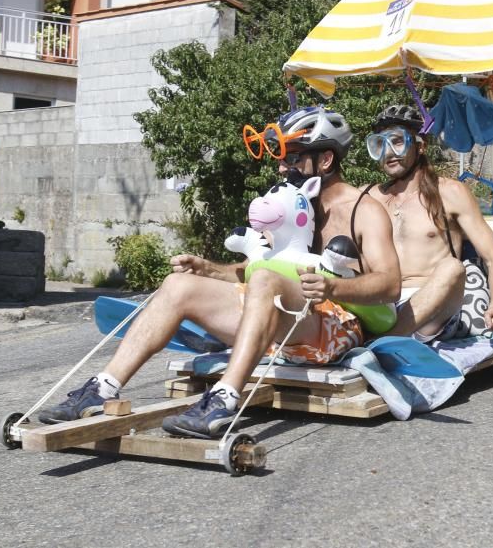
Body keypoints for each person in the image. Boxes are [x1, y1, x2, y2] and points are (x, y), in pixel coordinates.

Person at [38, 107, 402, 438]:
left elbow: (390, 284)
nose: (280, 168)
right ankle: (102, 388)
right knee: (179, 284)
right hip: (280, 320)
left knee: (265, 281)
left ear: (324, 159)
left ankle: (222, 401)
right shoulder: (290, 204)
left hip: (334, 328)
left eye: (291, 159)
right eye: (279, 159)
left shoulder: (363, 209)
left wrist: (331, 288)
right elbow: (262, 270)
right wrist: (210, 269)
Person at [364, 105, 493, 342]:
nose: (388, 151)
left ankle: (386, 342)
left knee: (452, 268)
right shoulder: (370, 197)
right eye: (380, 144)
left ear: (420, 146)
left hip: (433, 311)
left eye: (397, 141)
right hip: (382, 305)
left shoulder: (450, 193)